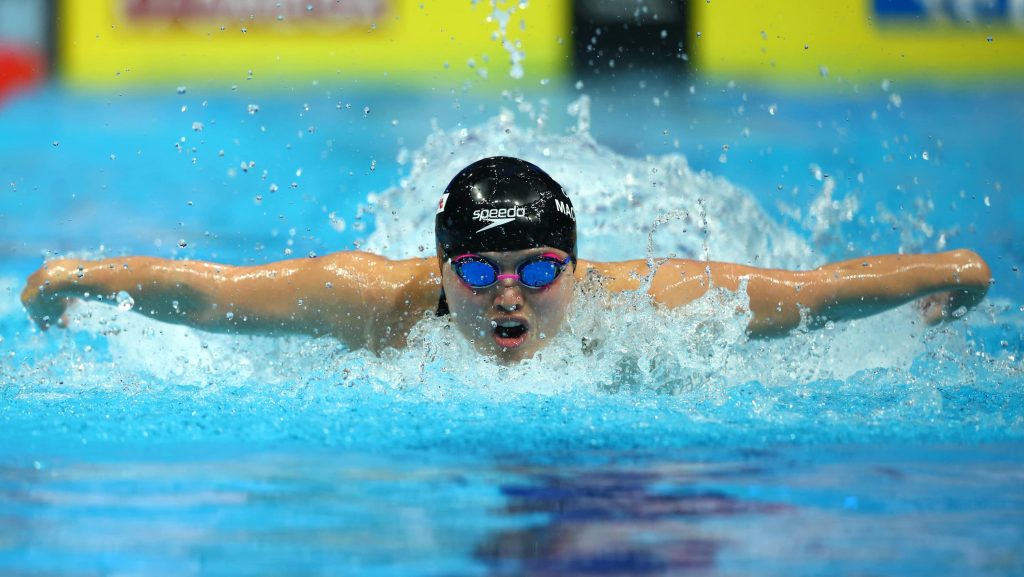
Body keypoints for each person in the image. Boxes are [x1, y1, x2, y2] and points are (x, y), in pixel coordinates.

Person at [21, 156, 992, 363]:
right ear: (439, 269)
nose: (510, 298)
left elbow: (814, 294)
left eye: (538, 269)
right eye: (479, 275)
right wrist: (80, 276)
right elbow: (212, 293)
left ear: (578, 263)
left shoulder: (651, 303)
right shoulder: (375, 301)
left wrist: (946, 272)